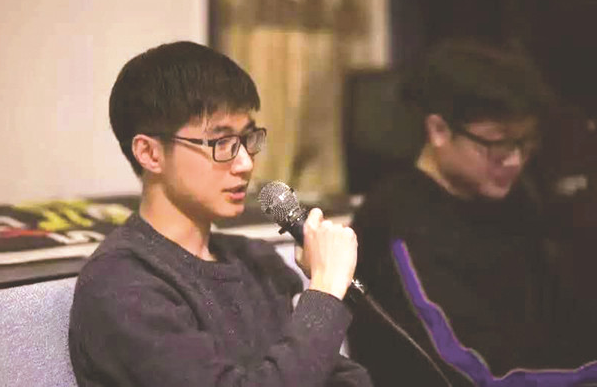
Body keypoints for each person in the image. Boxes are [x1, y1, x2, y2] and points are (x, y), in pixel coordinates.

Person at [68, 41, 372, 387]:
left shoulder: (256, 261)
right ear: (150, 153)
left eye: (248, 138)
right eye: (221, 142)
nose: (245, 163)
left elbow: (342, 378)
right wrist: (325, 290)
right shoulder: (121, 285)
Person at [347, 39, 596, 386]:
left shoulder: (515, 200)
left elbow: (561, 317)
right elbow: (468, 370)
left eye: (525, 142)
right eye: (497, 143)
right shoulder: (396, 221)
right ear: (439, 130)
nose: (515, 160)